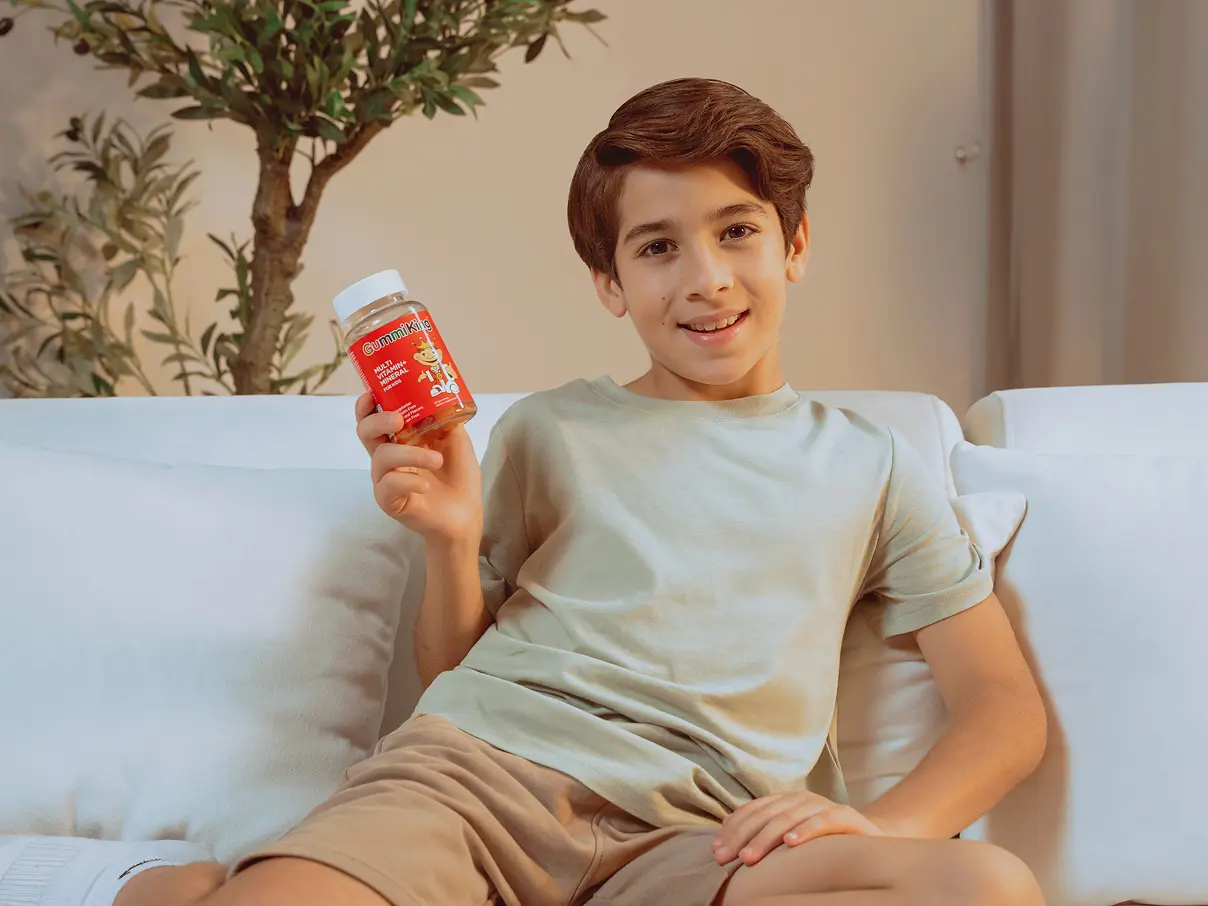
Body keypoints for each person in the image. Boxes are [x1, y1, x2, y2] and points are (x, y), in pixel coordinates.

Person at [1, 77, 1048, 906]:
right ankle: (167, 888)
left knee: (987, 886)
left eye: (736, 231)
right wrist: (449, 540)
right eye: (655, 248)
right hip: (473, 785)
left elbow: (1001, 711)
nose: (705, 279)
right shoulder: (552, 428)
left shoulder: (868, 465)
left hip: (706, 842)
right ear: (609, 284)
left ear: (794, 245)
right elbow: (452, 666)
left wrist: (886, 825)